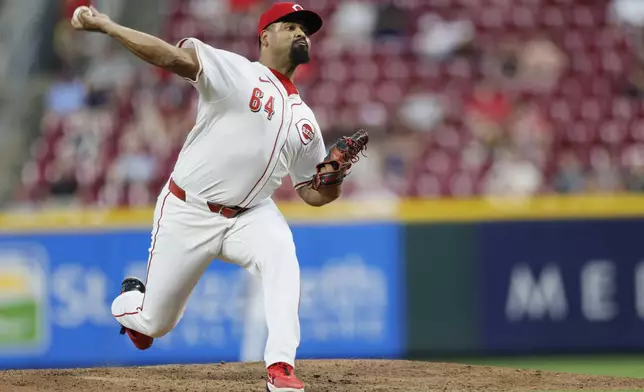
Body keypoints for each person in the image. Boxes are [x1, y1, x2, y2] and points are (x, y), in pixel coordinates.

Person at [70, 3, 368, 392]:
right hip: (188, 209)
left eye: (305, 30)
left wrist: (333, 178)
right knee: (155, 323)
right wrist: (108, 25)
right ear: (264, 36)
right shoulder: (236, 71)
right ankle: (131, 304)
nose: (301, 34)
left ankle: (281, 367)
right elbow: (172, 57)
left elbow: (312, 193)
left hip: (251, 214)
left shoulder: (306, 121)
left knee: (282, 254)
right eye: (290, 26)